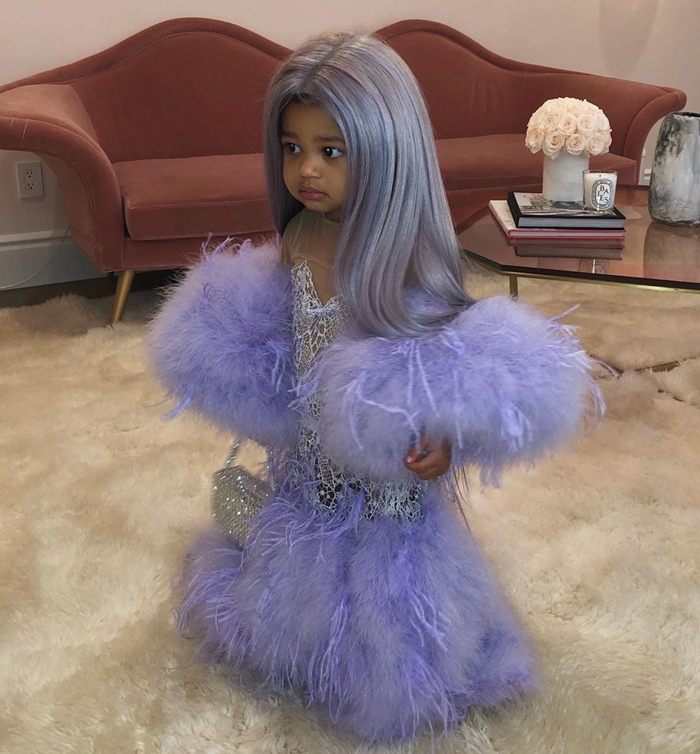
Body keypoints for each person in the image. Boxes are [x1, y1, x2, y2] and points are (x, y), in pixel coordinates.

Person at [150, 30, 599, 745]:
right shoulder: (300, 237)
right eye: (292, 147)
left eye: (332, 151)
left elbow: (440, 364)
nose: (306, 170)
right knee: (300, 571)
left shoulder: (403, 253)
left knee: (392, 617)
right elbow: (290, 333)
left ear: (387, 150)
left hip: (388, 469)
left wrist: (441, 439)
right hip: (313, 458)